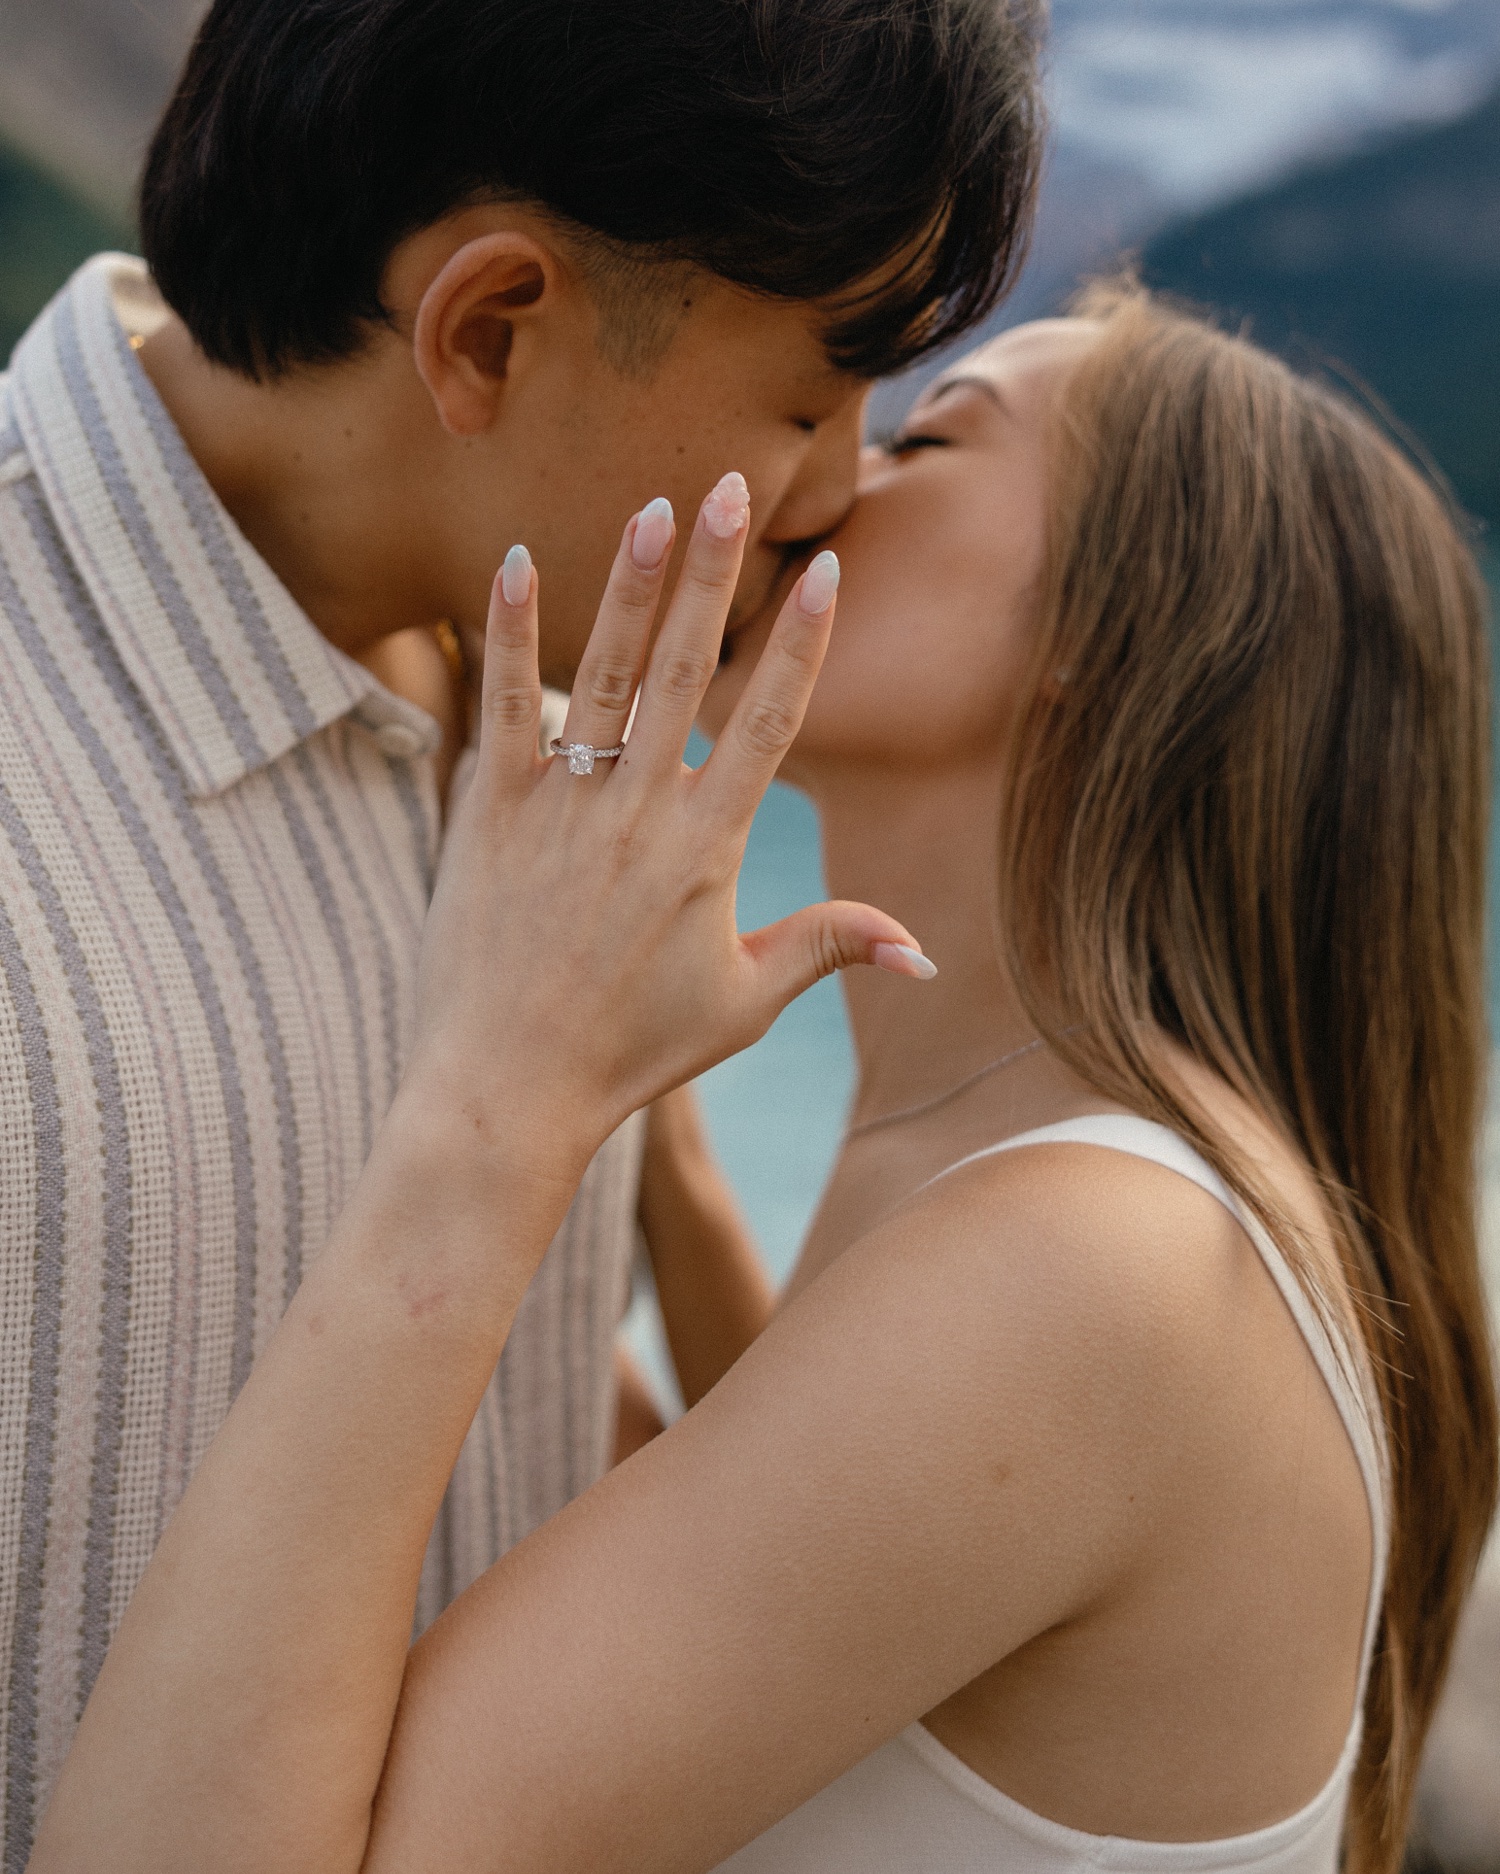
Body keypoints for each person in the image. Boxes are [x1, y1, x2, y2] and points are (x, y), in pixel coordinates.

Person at [30, 284, 1497, 1874]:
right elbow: (803, 1571)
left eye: (928, 433)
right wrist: (658, 1166)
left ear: (1114, 626)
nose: (822, 492)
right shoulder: (1070, 1181)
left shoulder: (1099, 1270)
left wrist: (497, 1098)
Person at [0, 1, 1043, 1860]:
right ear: (486, 332)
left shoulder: (564, 711)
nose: (845, 495)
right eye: (813, 399)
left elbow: (524, 1469)